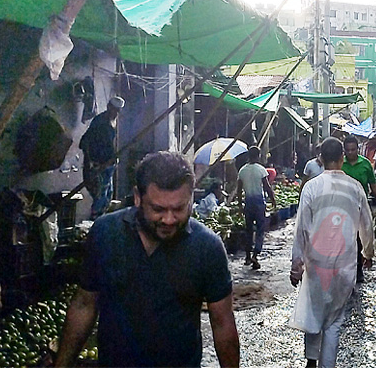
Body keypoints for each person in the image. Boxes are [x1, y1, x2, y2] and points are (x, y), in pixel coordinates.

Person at [54, 152, 240, 368]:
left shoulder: (208, 248)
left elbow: (222, 323)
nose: (169, 220)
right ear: (137, 197)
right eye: (158, 209)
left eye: (179, 208)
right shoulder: (105, 234)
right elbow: (84, 304)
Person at [289, 137, 374, 368]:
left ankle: (311, 361)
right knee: (335, 321)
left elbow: (301, 228)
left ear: (321, 159)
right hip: (345, 264)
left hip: (316, 263)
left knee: (314, 311)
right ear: (342, 158)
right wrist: (368, 252)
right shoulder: (355, 188)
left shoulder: (311, 187)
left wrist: (296, 264)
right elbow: (367, 224)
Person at [341, 135, 376, 283]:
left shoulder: (365, 164)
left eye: (353, 149)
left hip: (361, 207)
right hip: (343, 207)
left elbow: (374, 187)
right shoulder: (340, 163)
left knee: (361, 237)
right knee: (345, 238)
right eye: (347, 150)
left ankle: (359, 268)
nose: (350, 152)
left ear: (357, 149)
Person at [79, 96, 124, 220]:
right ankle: (95, 222)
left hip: (109, 165)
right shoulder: (99, 121)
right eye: (114, 109)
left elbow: (111, 142)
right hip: (98, 164)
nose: (116, 113)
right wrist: (91, 163)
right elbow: (85, 142)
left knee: (107, 196)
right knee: (99, 196)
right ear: (109, 107)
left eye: (118, 110)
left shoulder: (114, 122)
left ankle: (102, 220)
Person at [236, 146, 276, 270]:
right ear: (258, 156)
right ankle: (255, 254)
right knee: (260, 230)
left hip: (248, 202)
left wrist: (239, 205)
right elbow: (267, 187)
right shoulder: (261, 170)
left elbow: (238, 190)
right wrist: (273, 200)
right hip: (259, 202)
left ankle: (247, 256)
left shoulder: (242, 170)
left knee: (249, 230)